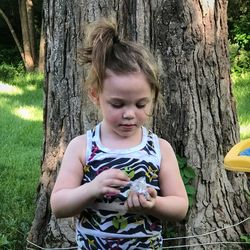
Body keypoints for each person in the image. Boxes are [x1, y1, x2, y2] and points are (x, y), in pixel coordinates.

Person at [50, 18, 188, 250]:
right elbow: (59, 205)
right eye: (117, 104)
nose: (129, 114)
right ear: (95, 96)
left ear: (152, 98)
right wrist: (92, 189)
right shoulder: (82, 147)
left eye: (141, 104)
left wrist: (152, 205)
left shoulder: (159, 149)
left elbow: (180, 206)